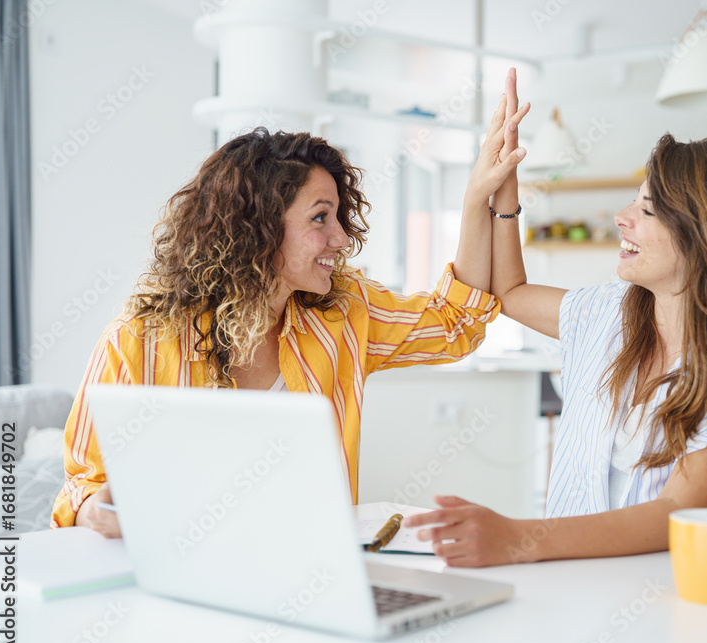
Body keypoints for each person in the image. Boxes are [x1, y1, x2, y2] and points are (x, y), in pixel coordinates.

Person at [52, 93, 530, 537]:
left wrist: (476, 199)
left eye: (338, 217)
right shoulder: (140, 338)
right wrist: (98, 510)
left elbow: (454, 323)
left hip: (313, 571)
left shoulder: (344, 312)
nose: (341, 238)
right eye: (320, 217)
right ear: (255, 227)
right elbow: (81, 487)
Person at [405, 70, 707, 567]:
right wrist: (496, 188)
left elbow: (672, 513)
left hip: (681, 601)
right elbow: (507, 292)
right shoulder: (608, 313)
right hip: (583, 592)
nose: (622, 217)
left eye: (648, 209)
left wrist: (516, 538)